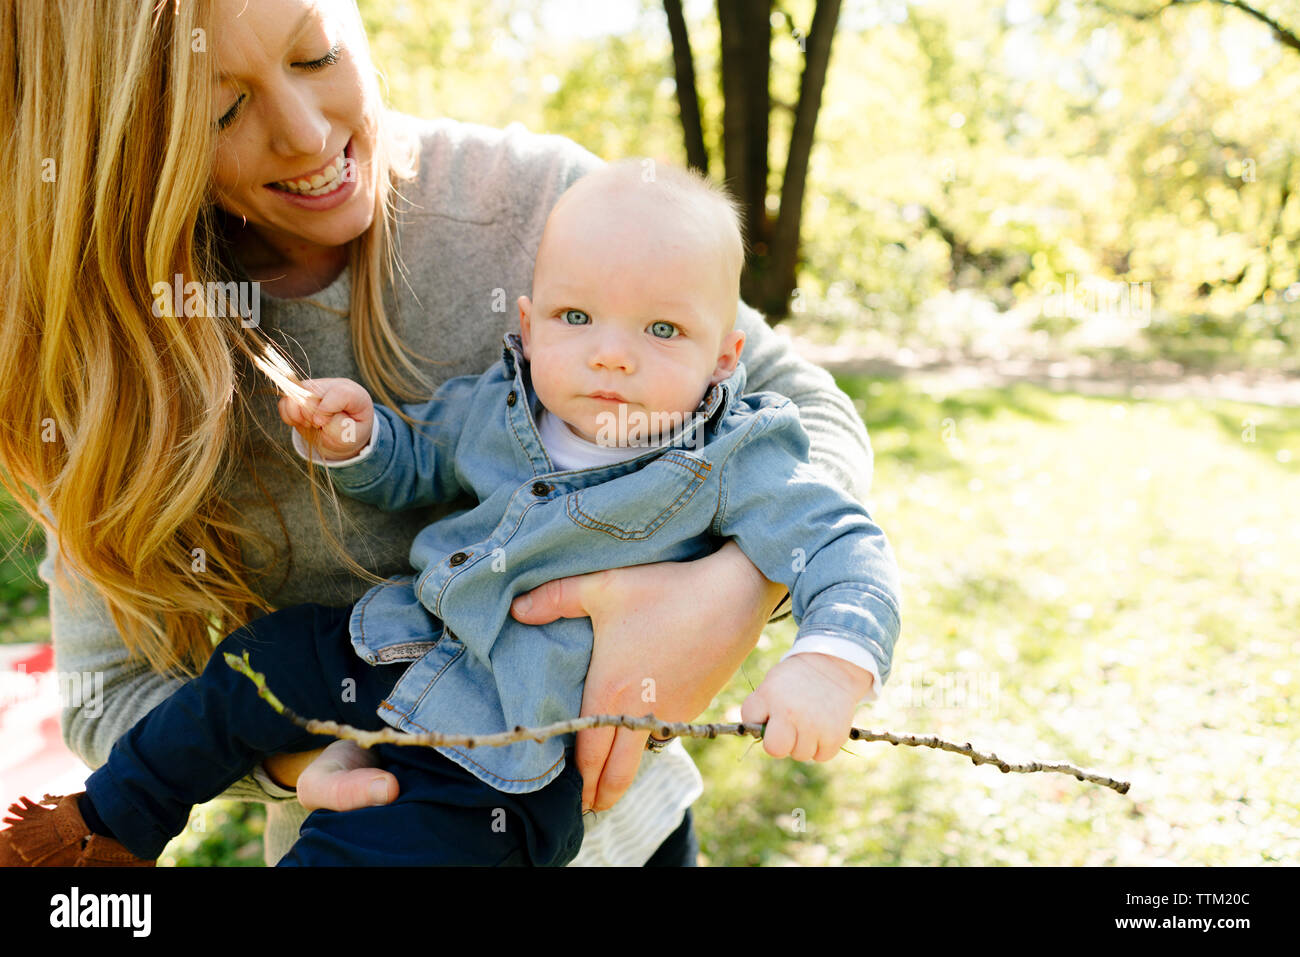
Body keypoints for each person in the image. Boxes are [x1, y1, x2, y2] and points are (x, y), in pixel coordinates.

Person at [0, 0, 879, 866]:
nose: (306, 134)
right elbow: (107, 687)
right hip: (392, 660)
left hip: (533, 777)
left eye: (315, 57)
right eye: (224, 108)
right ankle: (103, 830)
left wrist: (727, 601)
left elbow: (813, 435)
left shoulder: (545, 204)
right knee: (268, 673)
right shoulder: (496, 400)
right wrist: (305, 755)